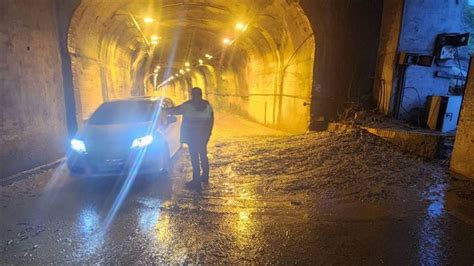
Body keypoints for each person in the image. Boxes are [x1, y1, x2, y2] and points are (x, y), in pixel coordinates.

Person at [165, 87, 214, 190]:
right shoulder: (207, 106)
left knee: (194, 158)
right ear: (201, 94)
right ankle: (205, 177)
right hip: (203, 136)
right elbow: (211, 121)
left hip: (192, 136)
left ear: (192, 94)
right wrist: (208, 133)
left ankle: (196, 181)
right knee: (203, 156)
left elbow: (174, 111)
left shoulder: (188, 106)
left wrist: (162, 109)